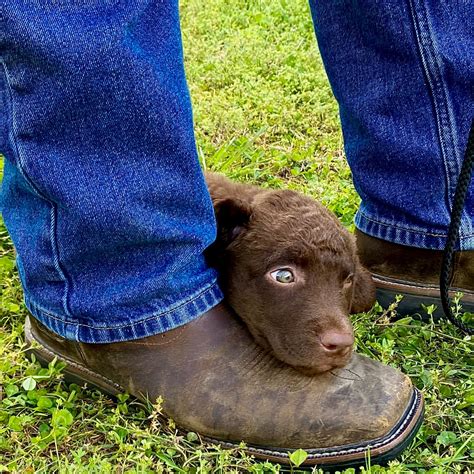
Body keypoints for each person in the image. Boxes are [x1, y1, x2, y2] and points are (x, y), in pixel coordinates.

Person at [1, 1, 471, 468]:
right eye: (286, 275)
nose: (340, 334)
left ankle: (426, 228)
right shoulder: (230, 223)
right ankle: (122, 293)